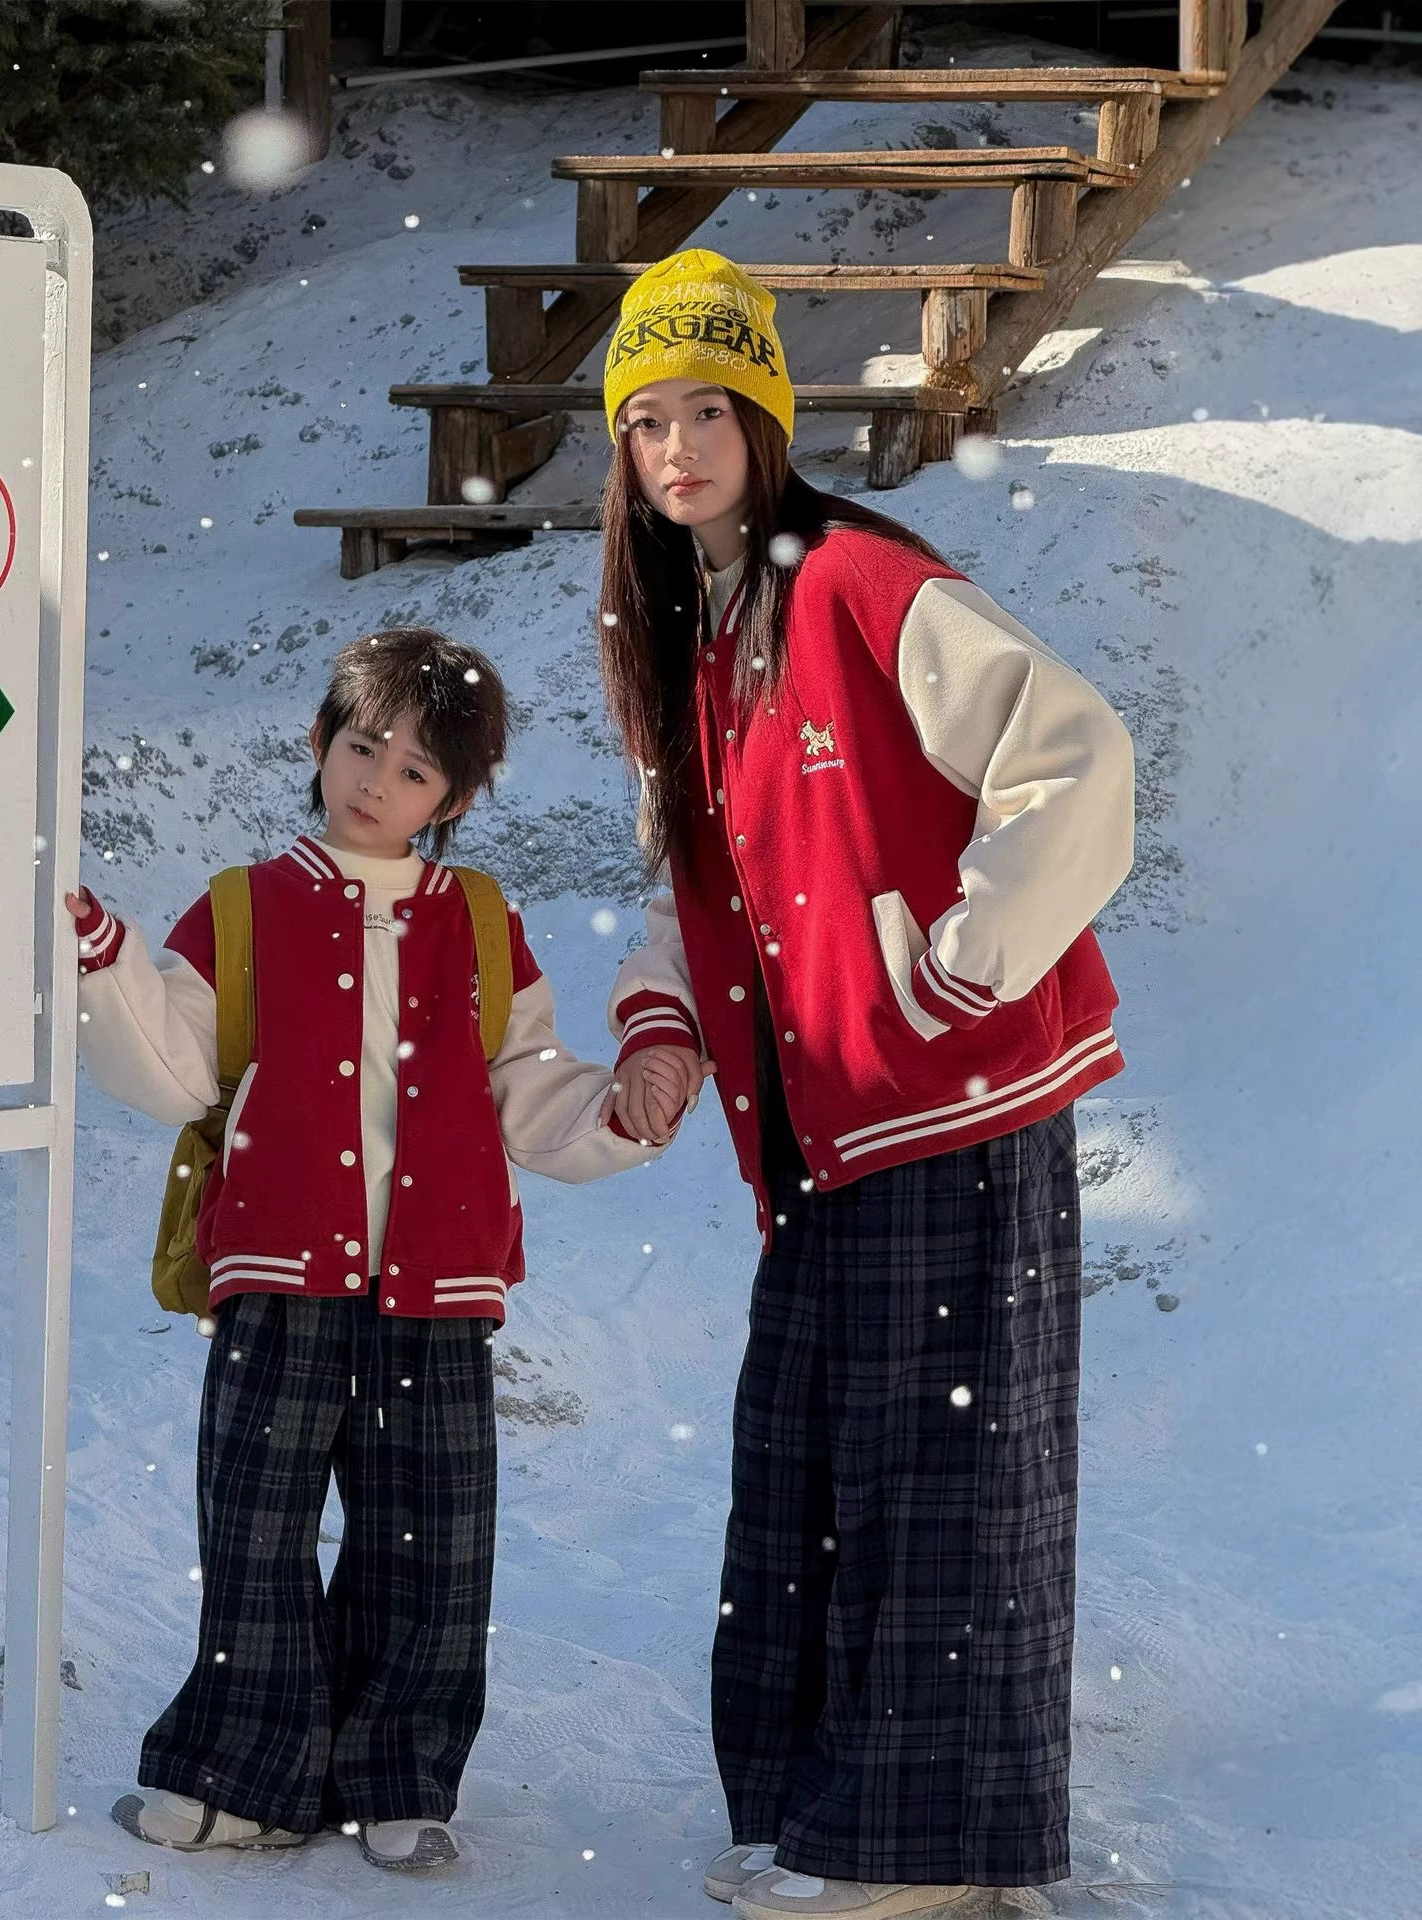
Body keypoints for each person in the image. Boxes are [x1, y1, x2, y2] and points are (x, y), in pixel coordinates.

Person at [595, 252, 1137, 1920]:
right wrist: (664, 1023)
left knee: (939, 1482)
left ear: (766, 421)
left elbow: (1077, 748)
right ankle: (820, 1813)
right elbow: (695, 887)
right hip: (824, 1140)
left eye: (709, 410)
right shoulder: (693, 642)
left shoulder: (853, 579)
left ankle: (922, 1862)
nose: (678, 446)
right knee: (808, 1471)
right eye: (645, 420)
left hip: (952, 1110)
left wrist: (960, 963)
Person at [67, 626, 686, 1875]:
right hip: (279, 1269)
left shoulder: (481, 920)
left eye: (412, 770)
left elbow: (526, 1088)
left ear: (450, 799)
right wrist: (103, 957)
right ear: (320, 743)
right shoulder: (244, 907)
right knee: (255, 1524)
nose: (375, 781)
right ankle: (244, 1771)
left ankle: (400, 1772)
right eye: (361, 746)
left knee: (436, 1540)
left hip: (440, 1284)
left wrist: (615, 1114)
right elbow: (177, 1059)